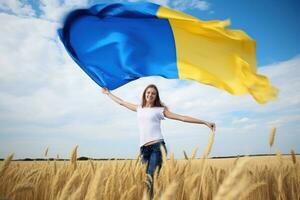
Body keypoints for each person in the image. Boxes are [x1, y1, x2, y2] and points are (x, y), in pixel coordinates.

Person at [101, 84, 216, 197]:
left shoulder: (160, 110)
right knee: (146, 181)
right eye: (148, 92)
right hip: (143, 149)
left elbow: (182, 118)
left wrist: (204, 122)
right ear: (145, 94)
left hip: (157, 148)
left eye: (153, 93)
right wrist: (108, 94)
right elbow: (122, 102)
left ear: (156, 96)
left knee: (150, 179)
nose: (150, 95)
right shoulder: (139, 108)